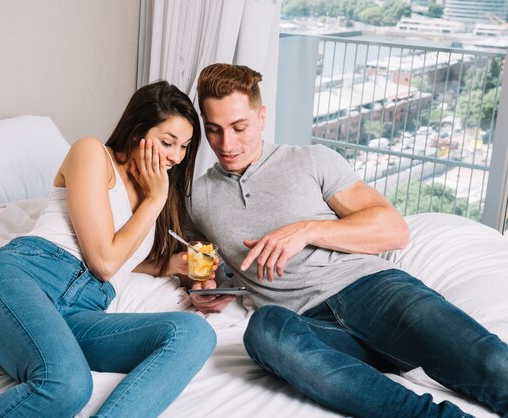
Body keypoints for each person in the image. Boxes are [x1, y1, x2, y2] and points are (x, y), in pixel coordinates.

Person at [187, 63, 508, 418]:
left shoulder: (311, 160)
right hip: (309, 328)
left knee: (493, 364)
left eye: (239, 127)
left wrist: (305, 230)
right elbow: (188, 259)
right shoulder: (199, 198)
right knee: (265, 331)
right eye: (214, 130)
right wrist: (210, 284)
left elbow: (393, 230)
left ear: (261, 117)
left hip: (374, 293)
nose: (226, 144)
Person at [0, 80, 217, 418]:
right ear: (136, 132)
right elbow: (102, 261)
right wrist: (155, 199)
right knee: (68, 385)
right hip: (25, 278)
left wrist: (176, 267)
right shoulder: (92, 153)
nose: (175, 156)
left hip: (84, 309)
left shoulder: (156, 194)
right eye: (167, 142)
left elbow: (125, 258)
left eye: (185, 146)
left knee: (195, 332)